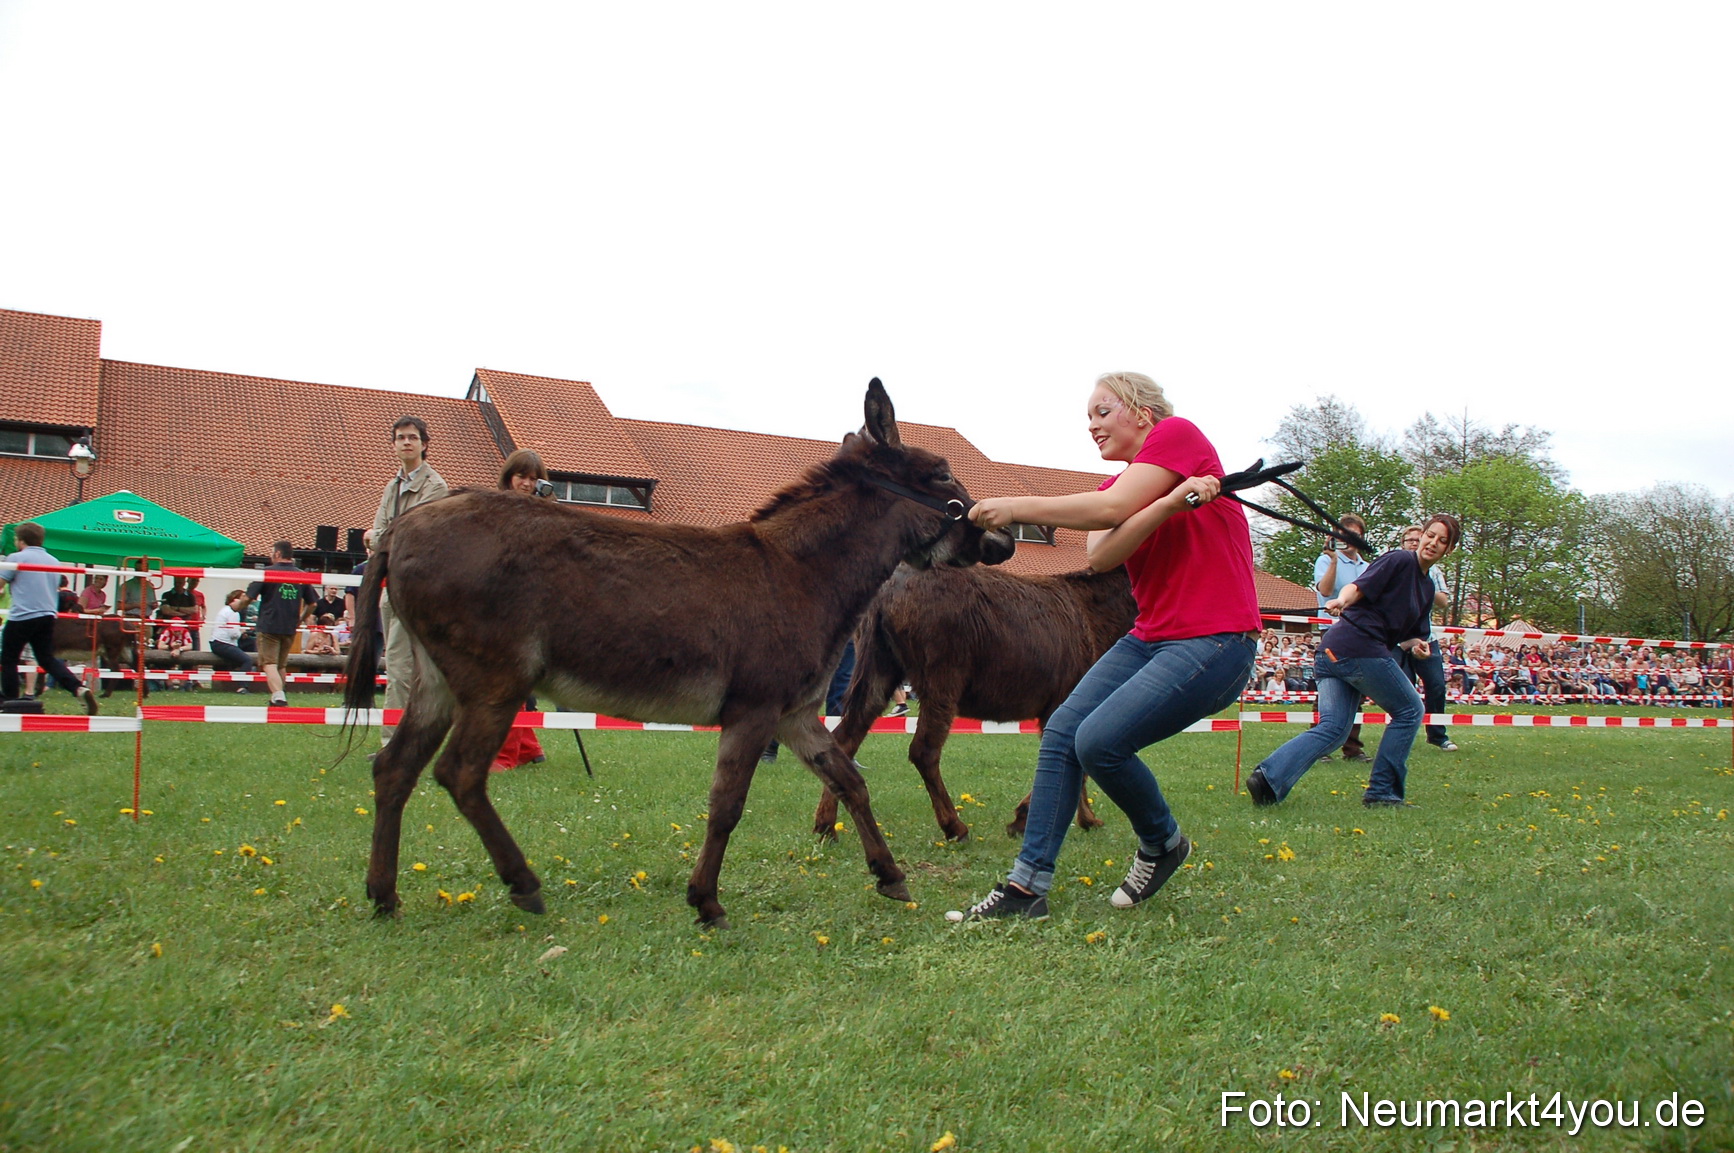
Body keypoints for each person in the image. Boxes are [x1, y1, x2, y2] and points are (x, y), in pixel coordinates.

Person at [948, 372, 1259, 920]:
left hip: (1215, 641)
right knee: (1063, 732)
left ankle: (1162, 843)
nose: (1092, 425)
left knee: (1097, 742)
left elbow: (1113, 510)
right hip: (1149, 639)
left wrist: (1016, 506)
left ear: (1142, 412)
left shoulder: (1178, 435)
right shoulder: (1115, 490)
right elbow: (1102, 554)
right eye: (1088, 417)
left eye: (1102, 411)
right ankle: (1025, 890)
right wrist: (1167, 506)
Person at [1247, 514, 1462, 809]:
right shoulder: (1399, 559)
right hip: (1358, 647)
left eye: (1442, 540)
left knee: (1334, 728)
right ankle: (1382, 793)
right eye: (1430, 535)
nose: (1433, 543)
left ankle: (1267, 778)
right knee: (1411, 710)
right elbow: (1359, 587)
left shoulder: (1426, 590)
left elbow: (1410, 638)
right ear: (1422, 535)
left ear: (1449, 550)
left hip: (1335, 652)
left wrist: (1419, 648)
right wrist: (1343, 600)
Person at [372, 415, 449, 745]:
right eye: (400, 437)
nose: (406, 442)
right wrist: (382, 537)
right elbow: (382, 533)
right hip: (392, 588)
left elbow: (409, 536)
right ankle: (405, 740)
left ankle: (395, 744)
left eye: (412, 437)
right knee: (400, 668)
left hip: (419, 592)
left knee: (403, 668)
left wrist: (380, 538)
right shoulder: (392, 486)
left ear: (424, 444)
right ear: (393, 444)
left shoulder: (436, 487)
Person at [1, 523, 99, 714]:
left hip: (22, 615)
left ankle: (10, 702)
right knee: (46, 659)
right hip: (47, 616)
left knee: (9, 659)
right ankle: (77, 688)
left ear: (21, 540)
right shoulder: (53, 561)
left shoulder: (16, 558)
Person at [490, 450, 548, 771]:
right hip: (500, 602)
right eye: (521, 477)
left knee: (511, 679)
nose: (526, 484)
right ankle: (527, 747)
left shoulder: (543, 513)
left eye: (532, 479)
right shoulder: (495, 511)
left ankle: (505, 754)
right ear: (509, 477)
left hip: (527, 608)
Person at [1313, 514, 1372, 764]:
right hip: (1332, 631)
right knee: (1328, 688)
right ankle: (1319, 746)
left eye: (1354, 534)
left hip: (1358, 632)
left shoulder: (1367, 567)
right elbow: (1325, 591)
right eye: (1343, 534)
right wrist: (1334, 560)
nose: (1348, 539)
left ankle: (1352, 747)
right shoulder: (1326, 560)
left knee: (1357, 689)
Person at [1396, 524, 1457, 751]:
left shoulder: (1434, 571)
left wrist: (1424, 582)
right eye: (1409, 540)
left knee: (1437, 685)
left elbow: (1443, 601)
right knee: (1403, 689)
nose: (1414, 543)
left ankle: (1438, 735)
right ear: (1403, 544)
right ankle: (1402, 735)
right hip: (1397, 641)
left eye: (1417, 539)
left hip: (1426, 638)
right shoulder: (1396, 566)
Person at [246, 541, 318, 708]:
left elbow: (249, 597)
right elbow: (313, 604)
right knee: (281, 665)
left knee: (269, 663)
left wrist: (236, 606)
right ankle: (276, 697)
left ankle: (279, 697)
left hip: (269, 625)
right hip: (290, 626)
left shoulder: (266, 572)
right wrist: (301, 618)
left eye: (272, 552)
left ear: (277, 554)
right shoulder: (302, 575)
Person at [210, 589, 256, 690]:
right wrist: (242, 632)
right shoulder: (233, 613)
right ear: (234, 600)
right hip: (223, 644)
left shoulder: (225, 610)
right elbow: (234, 634)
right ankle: (242, 686)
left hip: (217, 643)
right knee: (247, 660)